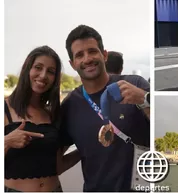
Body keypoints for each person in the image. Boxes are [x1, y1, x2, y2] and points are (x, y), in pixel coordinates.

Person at [60, 25, 150, 192]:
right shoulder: (69, 105)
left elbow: (163, 124)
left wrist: (144, 100)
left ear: (104, 55)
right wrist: (83, 150)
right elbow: (57, 164)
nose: (87, 59)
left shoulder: (135, 84)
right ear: (72, 64)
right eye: (79, 55)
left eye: (92, 51)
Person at [4, 46, 80, 192]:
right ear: (28, 69)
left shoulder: (53, 115)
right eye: (38, 67)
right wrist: (7, 141)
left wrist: (84, 149)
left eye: (51, 72)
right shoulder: (5, 109)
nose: (43, 75)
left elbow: (58, 167)